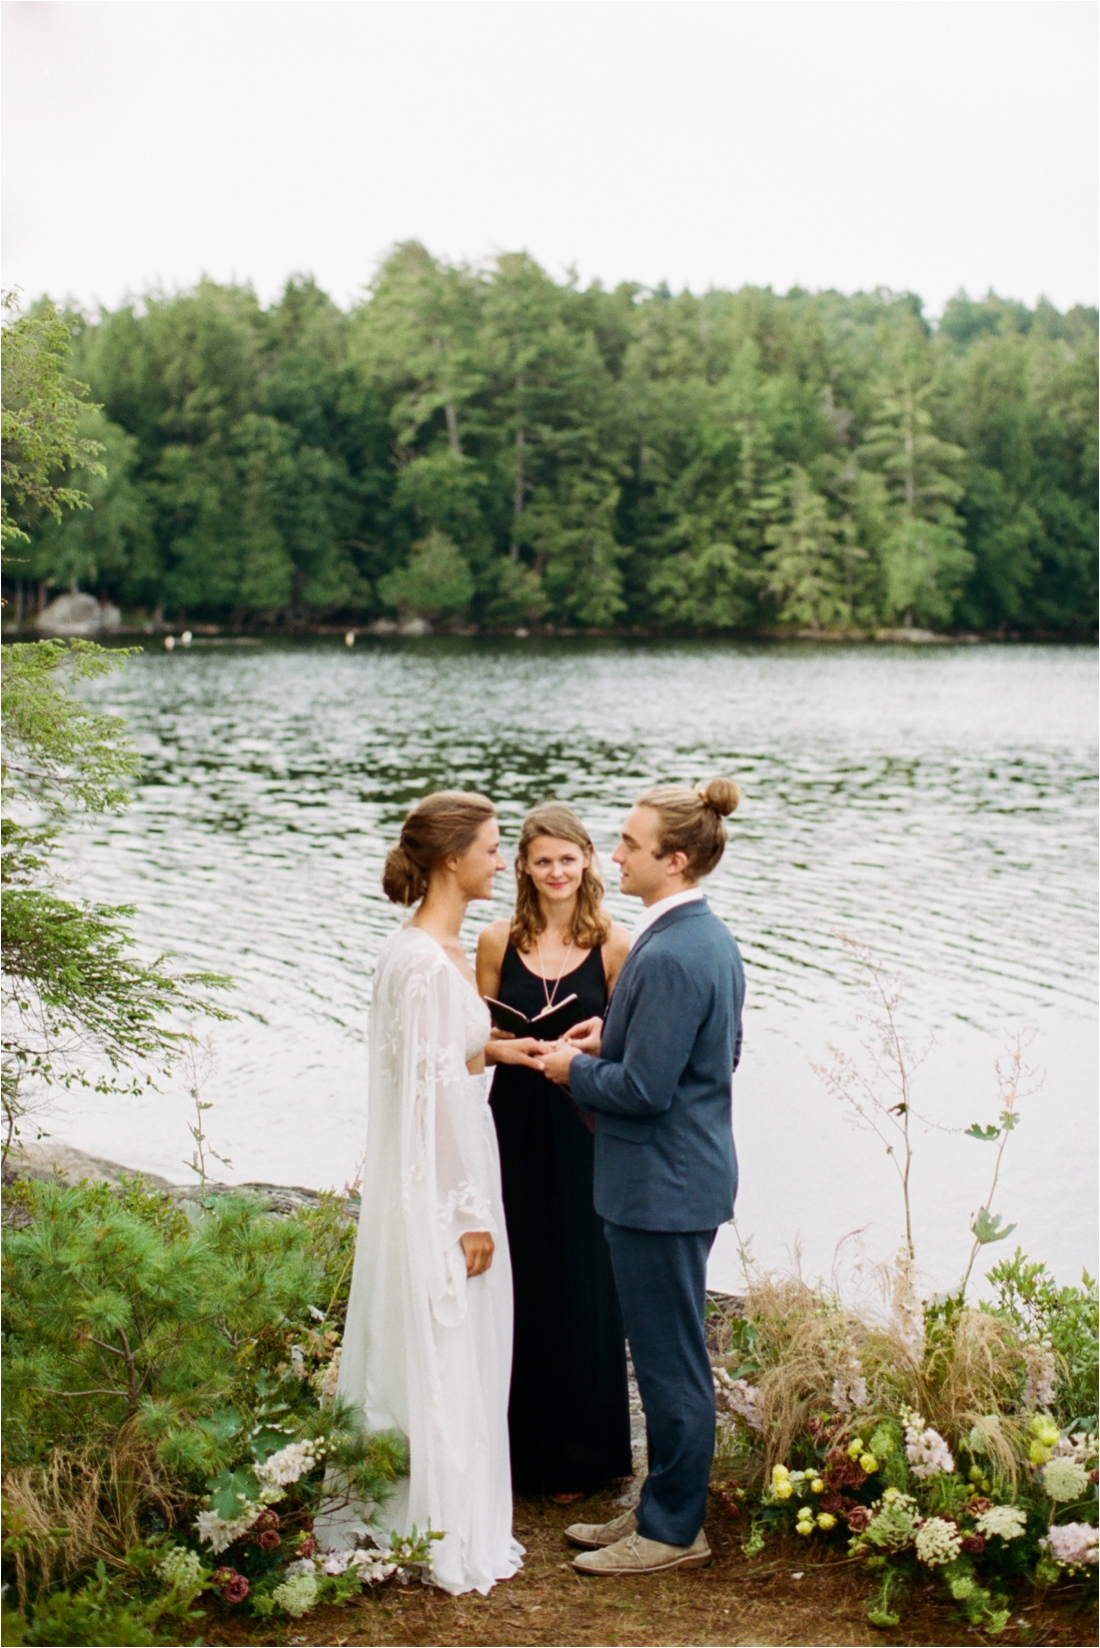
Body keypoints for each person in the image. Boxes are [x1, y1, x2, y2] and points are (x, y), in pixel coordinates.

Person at [315, 792, 523, 1597]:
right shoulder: (425, 965)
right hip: (443, 1187)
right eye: (493, 849)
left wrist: (502, 1046)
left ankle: (427, 1508)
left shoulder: (424, 949)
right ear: (451, 861)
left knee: (449, 1348)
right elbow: (432, 1101)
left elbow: (448, 1064)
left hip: (442, 1173)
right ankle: (436, 1524)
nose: (501, 862)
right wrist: (468, 1213)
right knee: (447, 1344)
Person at [538, 777, 744, 1578]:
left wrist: (569, 1069)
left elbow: (649, 1092)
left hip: (663, 1185)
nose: (613, 853)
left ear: (676, 859)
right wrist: (608, 1038)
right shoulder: (702, 937)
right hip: (680, 1175)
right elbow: (711, 1057)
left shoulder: (674, 949)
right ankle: (663, 1502)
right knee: (669, 1353)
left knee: (669, 1362)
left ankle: (671, 1532)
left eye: (629, 844)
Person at [476, 803, 633, 1502]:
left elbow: (628, 1046)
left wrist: (583, 1047)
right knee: (519, 1274)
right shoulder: (494, 940)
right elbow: (472, 1039)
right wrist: (509, 1045)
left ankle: (580, 1456)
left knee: (582, 1277)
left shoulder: (615, 945)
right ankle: (512, 1450)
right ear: (523, 868)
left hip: (582, 1124)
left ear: (589, 860)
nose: (557, 871)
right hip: (509, 1120)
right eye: (544, 860)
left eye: (568, 858)